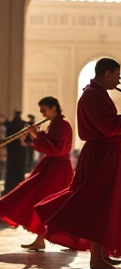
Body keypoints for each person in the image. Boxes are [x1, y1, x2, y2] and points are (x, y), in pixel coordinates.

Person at [34, 57, 121, 269]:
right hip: (100, 156)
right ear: (107, 74)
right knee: (99, 204)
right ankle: (96, 259)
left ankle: (102, 254)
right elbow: (108, 127)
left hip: (106, 153)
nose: (119, 81)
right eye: (117, 76)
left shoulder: (98, 94)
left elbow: (108, 126)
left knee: (107, 203)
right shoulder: (92, 96)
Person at [0, 97, 74, 250]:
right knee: (37, 199)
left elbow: (58, 150)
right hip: (51, 167)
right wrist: (35, 137)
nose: (42, 114)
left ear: (54, 108)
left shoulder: (64, 125)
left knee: (49, 203)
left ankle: (67, 239)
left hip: (58, 170)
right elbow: (49, 144)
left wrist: (37, 135)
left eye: (44, 110)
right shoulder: (55, 124)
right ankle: (41, 238)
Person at [2, 111, 26, 195]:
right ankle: (19, 190)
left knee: (11, 171)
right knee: (19, 170)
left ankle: (9, 190)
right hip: (20, 153)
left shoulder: (10, 124)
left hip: (11, 152)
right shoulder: (23, 124)